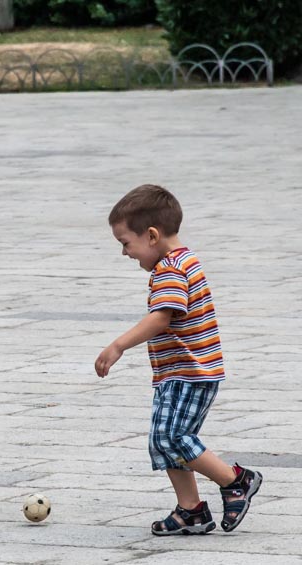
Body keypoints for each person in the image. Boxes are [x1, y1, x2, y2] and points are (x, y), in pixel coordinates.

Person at [94, 184, 262, 536]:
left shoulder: (171, 269)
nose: (125, 253)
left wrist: (118, 345)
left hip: (190, 371)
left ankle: (235, 481)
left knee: (172, 435)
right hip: (187, 371)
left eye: (125, 243)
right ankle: (191, 510)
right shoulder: (183, 260)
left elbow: (161, 317)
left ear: (152, 235)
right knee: (165, 439)